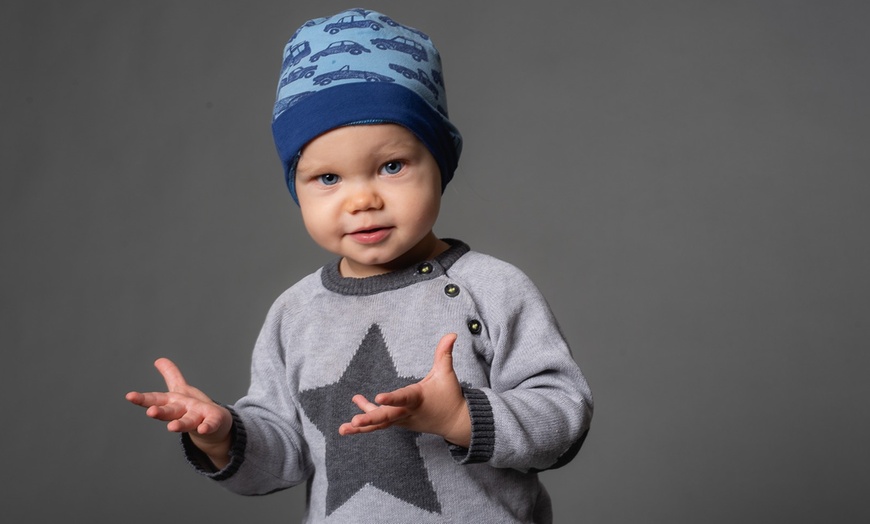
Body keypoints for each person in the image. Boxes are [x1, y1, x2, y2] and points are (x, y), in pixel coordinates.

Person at [127, 8, 593, 523]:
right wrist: (221, 435)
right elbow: (282, 458)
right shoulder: (296, 313)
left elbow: (563, 420)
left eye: (391, 166)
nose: (362, 199)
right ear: (296, 188)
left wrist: (461, 417)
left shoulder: (492, 288)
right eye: (328, 178)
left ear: (439, 164)